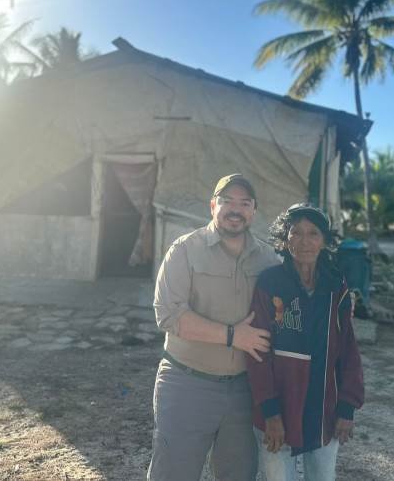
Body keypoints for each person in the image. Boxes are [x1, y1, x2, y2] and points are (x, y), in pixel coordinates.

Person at [148, 174, 281, 481]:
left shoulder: (268, 259)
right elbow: (168, 314)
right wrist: (234, 336)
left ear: (254, 211)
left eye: (244, 203)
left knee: (238, 474)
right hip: (187, 383)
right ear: (212, 206)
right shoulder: (184, 250)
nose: (235, 209)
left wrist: (340, 299)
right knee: (174, 473)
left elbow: (291, 305)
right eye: (227, 201)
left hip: (244, 391)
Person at [247, 203, 364, 481]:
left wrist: (347, 407)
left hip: (324, 409)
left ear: (325, 240)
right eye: (295, 232)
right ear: (284, 239)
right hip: (278, 410)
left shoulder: (337, 286)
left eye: (313, 233)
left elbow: (348, 350)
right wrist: (270, 413)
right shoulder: (270, 283)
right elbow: (257, 353)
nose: (304, 241)